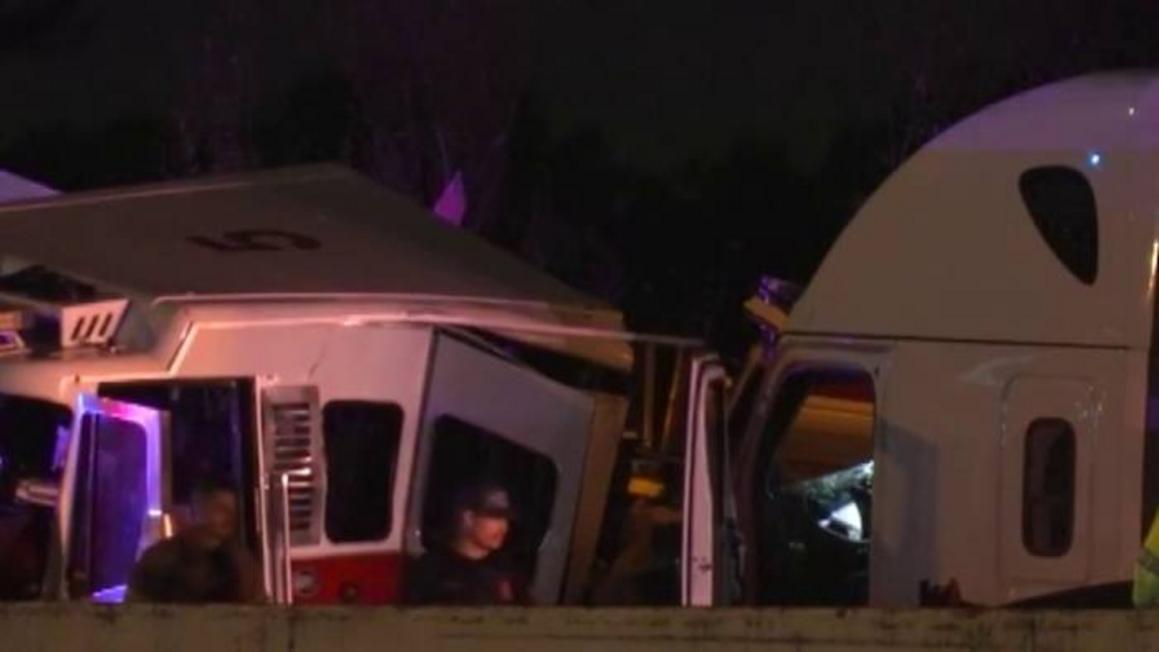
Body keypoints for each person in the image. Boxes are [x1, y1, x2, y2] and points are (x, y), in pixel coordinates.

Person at [127, 477, 261, 603]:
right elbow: (133, 609)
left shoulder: (242, 564)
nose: (229, 517)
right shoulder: (159, 560)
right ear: (198, 509)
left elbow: (258, 610)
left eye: (232, 511)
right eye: (221, 509)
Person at [404, 482, 529, 605]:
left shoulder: (506, 570)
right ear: (468, 518)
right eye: (495, 518)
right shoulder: (432, 571)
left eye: (506, 519)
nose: (504, 528)